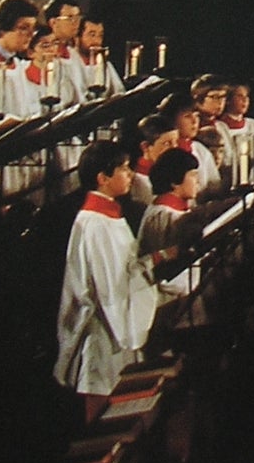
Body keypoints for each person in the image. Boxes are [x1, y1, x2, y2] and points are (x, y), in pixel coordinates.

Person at [53, 140, 176, 421]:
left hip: (115, 323)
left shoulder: (108, 215)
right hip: (105, 330)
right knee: (104, 412)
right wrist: (157, 259)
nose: (131, 174)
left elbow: (124, 270)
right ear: (103, 178)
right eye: (123, 168)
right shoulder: (95, 223)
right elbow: (111, 287)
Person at [71, 14, 125, 102]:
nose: (97, 41)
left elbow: (119, 92)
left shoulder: (104, 64)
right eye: (92, 35)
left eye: (100, 36)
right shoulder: (69, 64)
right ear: (78, 37)